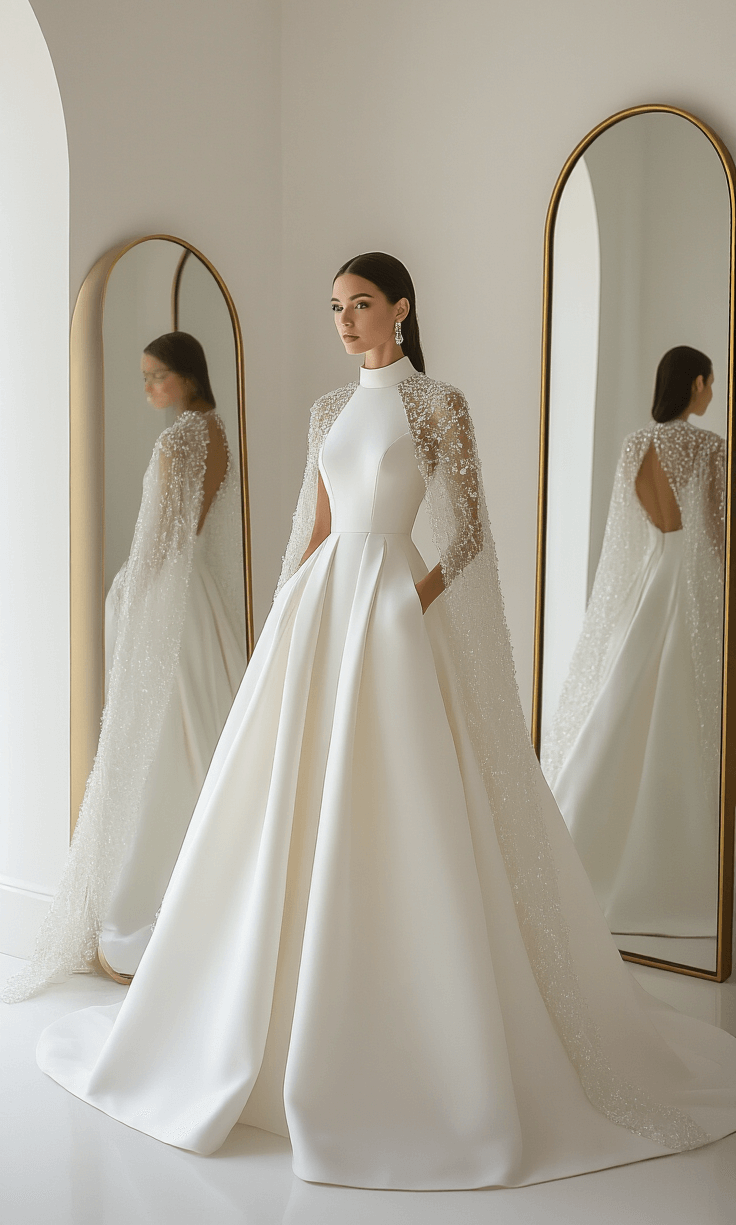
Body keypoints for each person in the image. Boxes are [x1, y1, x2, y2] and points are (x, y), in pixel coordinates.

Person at [30, 265, 736, 1189]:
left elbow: (470, 533)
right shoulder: (329, 411)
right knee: (283, 804)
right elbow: (320, 527)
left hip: (397, 614)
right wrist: (288, 616)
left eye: (360, 304)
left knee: (410, 799)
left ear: (401, 309)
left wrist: (414, 599)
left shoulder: (439, 404)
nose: (346, 320)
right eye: (336, 307)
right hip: (319, 614)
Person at [4, 333, 246, 996]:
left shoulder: (176, 442)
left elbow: (163, 536)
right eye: (143, 377)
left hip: (168, 593)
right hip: (201, 600)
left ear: (186, 375)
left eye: (156, 375)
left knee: (161, 741)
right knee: (203, 730)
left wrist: (128, 592)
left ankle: (150, 898)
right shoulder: (218, 433)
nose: (148, 389)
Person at [542, 347, 725, 940]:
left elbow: (631, 527)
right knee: (683, 706)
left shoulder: (634, 446)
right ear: (696, 384)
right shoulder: (710, 449)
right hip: (690, 580)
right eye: (710, 384)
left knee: (624, 699)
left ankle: (582, 853)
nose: (711, 393)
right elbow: (717, 534)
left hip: (650, 577)